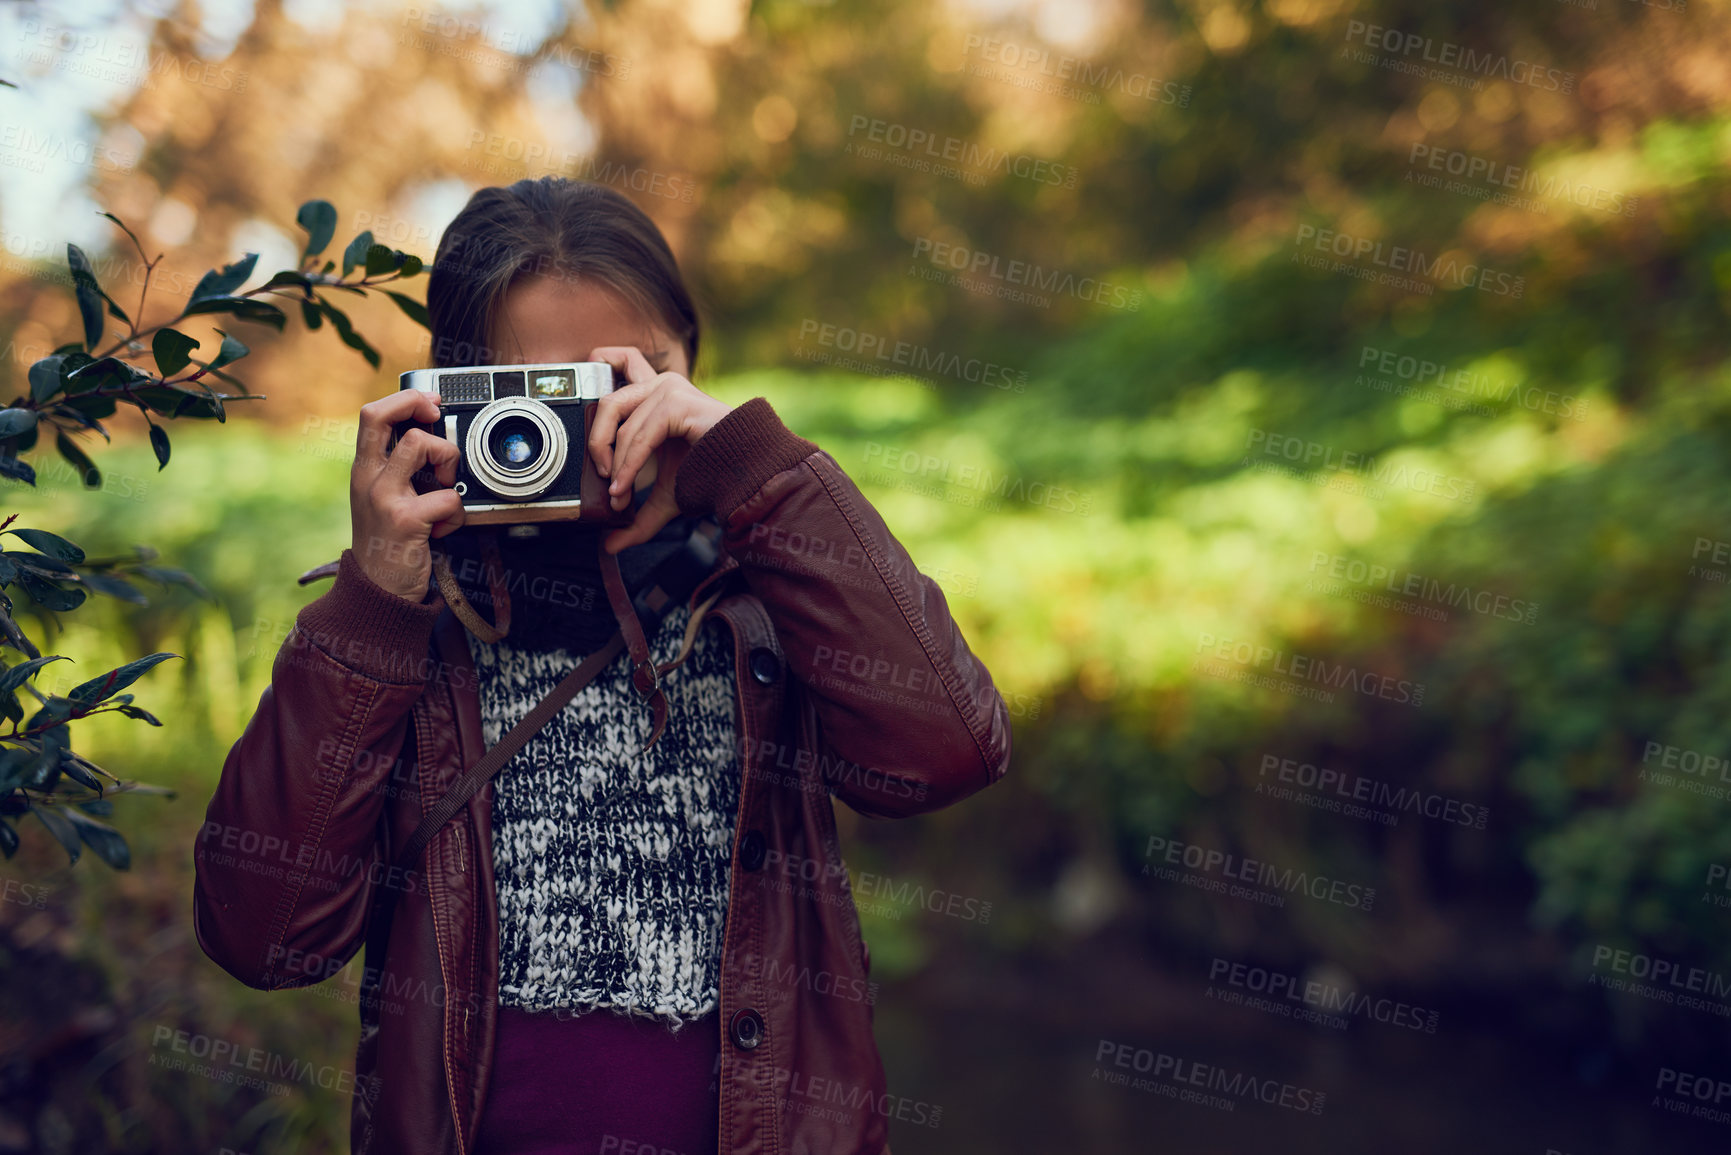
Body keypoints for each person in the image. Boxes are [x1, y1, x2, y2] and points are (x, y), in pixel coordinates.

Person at [192, 176, 1012, 1155]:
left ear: (689, 371)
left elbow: (948, 752)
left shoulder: (764, 593)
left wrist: (759, 473)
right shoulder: (411, 625)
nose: (589, 427)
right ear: (456, 402)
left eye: (623, 379)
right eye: (538, 394)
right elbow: (262, 938)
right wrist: (373, 599)